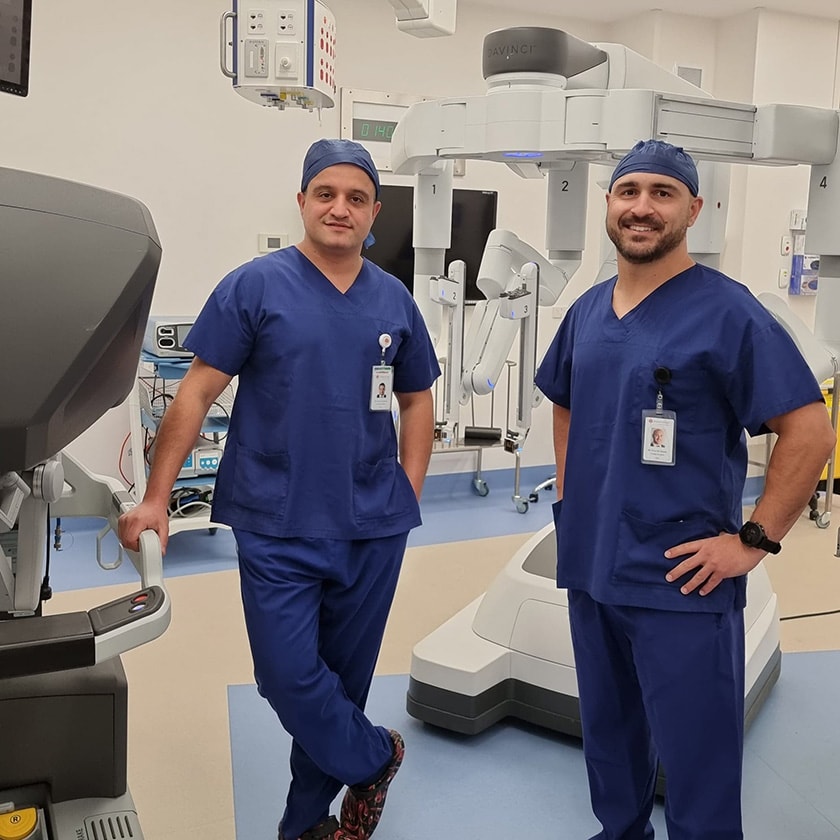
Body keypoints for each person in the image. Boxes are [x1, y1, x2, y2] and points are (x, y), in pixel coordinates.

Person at [119, 138, 440, 840]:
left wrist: (407, 492)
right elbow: (196, 392)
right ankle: (375, 756)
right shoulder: (255, 286)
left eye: (356, 197)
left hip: (372, 525)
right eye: (325, 193)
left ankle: (303, 826)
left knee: (343, 684)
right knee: (289, 679)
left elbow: (417, 400)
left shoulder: (395, 301)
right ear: (301, 201)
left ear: (374, 212)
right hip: (277, 519)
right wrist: (155, 498)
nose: (339, 207)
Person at [534, 139, 835, 840]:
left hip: (681, 580)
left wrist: (754, 540)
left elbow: (811, 432)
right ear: (609, 204)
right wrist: (574, 507)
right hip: (594, 568)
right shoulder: (585, 311)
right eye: (628, 191)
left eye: (661, 194)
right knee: (609, 739)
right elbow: (566, 399)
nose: (642, 207)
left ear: (693, 209)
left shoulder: (728, 313)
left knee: (697, 760)